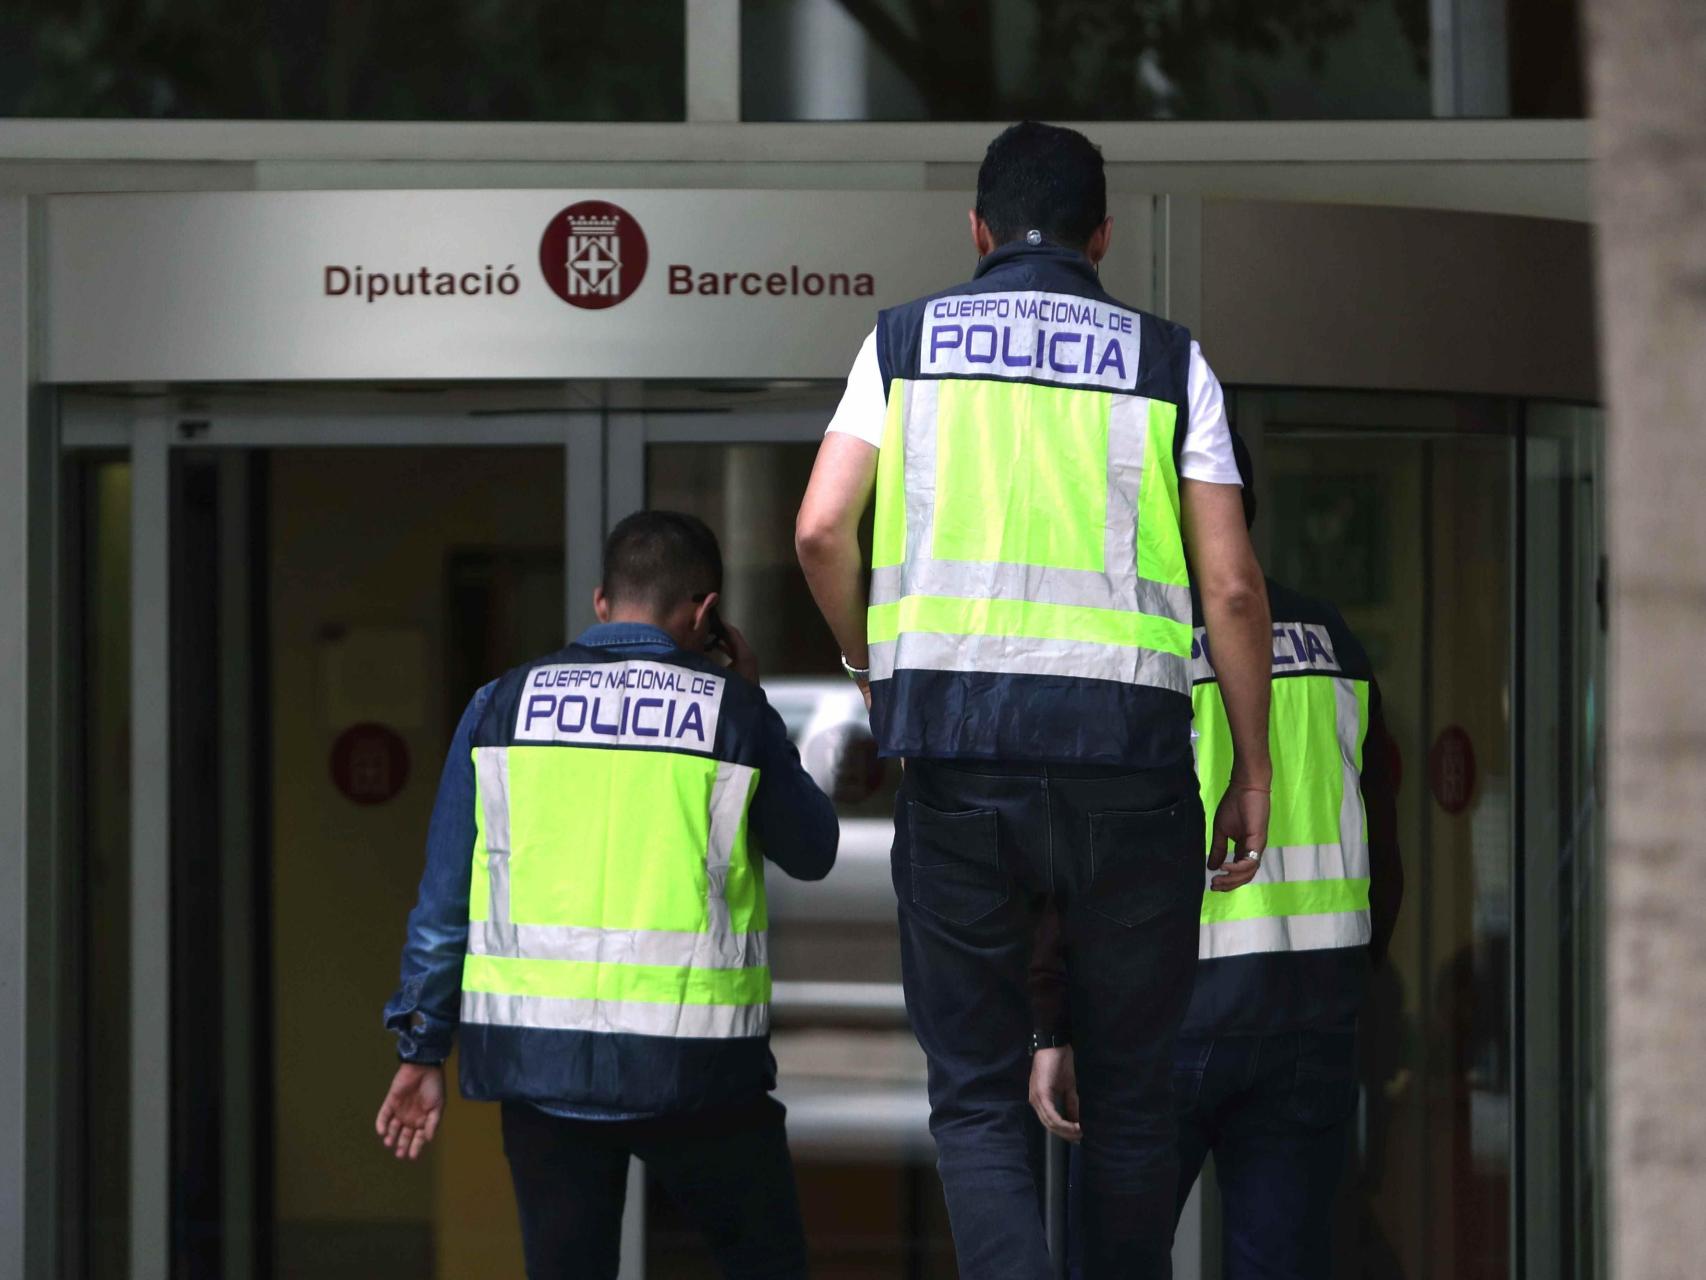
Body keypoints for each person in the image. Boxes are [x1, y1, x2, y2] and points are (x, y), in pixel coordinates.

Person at [795, 121, 1273, 1279]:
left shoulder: (901, 344)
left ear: (975, 228)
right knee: (1130, 1098)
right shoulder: (1169, 361)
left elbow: (817, 529)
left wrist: (872, 668)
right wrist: (1251, 769)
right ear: (1101, 235)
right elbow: (1230, 585)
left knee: (972, 1099)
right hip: (1130, 772)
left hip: (958, 765)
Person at [375, 510, 838, 1280]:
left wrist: (422, 1047)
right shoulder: (731, 712)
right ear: (705, 614)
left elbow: (444, 901)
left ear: (600, 603)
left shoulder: (498, 707)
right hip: (700, 1071)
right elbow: (814, 851)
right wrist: (749, 700)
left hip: (539, 1065)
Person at [1028, 433, 1403, 1280]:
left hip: (1160, 1014)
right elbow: (1384, 836)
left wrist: (1050, 1018)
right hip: (1312, 1010)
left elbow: (1077, 846)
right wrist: (1349, 975)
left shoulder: (1133, 643)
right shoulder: (1332, 641)